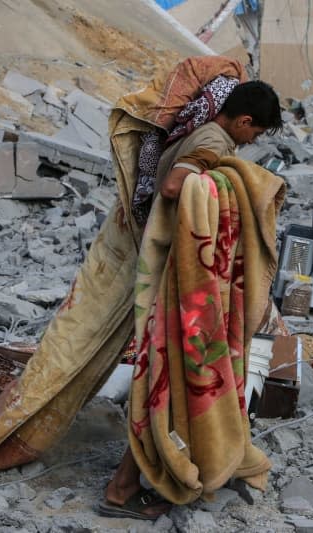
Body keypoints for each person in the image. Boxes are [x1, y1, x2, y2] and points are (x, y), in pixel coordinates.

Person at [99, 80, 284, 520]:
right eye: (254, 133)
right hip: (180, 285)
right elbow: (175, 188)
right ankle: (131, 487)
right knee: (178, 383)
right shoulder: (210, 141)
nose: (251, 141)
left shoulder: (200, 133)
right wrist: (225, 185)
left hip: (179, 279)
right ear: (242, 121)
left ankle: (129, 484)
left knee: (168, 383)